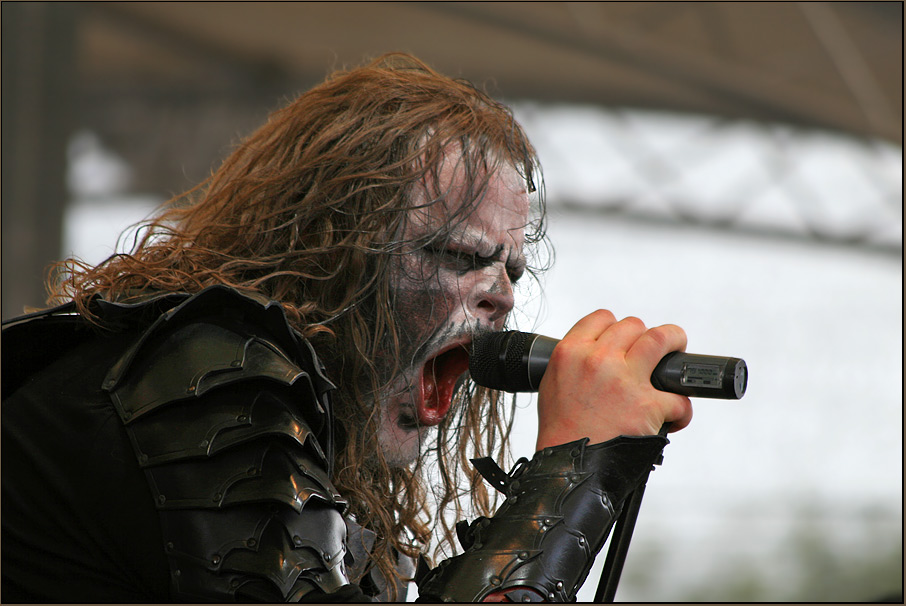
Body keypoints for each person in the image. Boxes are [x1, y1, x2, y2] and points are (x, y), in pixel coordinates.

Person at [1, 53, 692, 602]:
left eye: (512, 268)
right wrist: (574, 467)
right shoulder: (207, 371)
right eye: (459, 255)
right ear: (328, 249)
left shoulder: (284, 430)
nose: (501, 297)